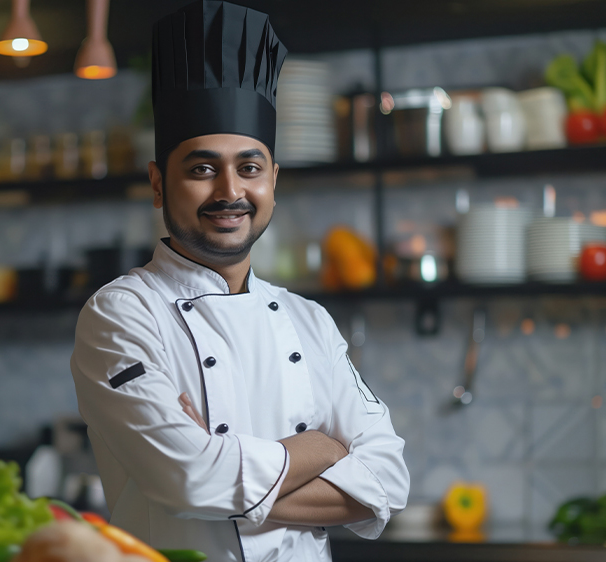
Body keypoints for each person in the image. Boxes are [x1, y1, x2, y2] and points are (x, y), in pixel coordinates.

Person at [70, 1, 409, 560]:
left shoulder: (309, 320)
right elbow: (190, 480)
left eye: (249, 168)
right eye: (202, 168)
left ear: (273, 180)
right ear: (158, 184)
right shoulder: (121, 313)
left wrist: (219, 480)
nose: (230, 191)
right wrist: (321, 449)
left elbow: (389, 483)